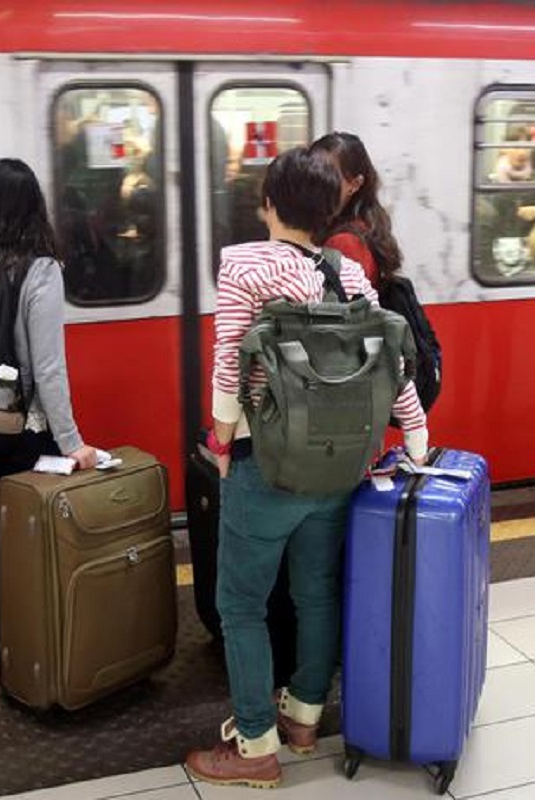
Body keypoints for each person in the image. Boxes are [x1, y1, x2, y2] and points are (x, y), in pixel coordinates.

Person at [184, 147, 428, 789]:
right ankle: (303, 719)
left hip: (267, 463)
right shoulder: (348, 271)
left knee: (239, 603)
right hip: (342, 461)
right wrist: (418, 430)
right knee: (314, 590)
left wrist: (221, 442)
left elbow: (230, 362)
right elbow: (387, 357)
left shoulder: (243, 265)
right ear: (330, 210)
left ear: (266, 202)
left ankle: (256, 745)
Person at [0, 158, 101, 662]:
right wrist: (73, 443)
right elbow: (49, 369)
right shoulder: (41, 271)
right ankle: (40, 631)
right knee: (36, 534)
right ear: (34, 207)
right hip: (27, 429)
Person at [308, 131, 402, 288]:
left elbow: (340, 308)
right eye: (312, 174)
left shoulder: (346, 243)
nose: (318, 184)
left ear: (355, 184)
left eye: (329, 176)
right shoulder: (362, 227)